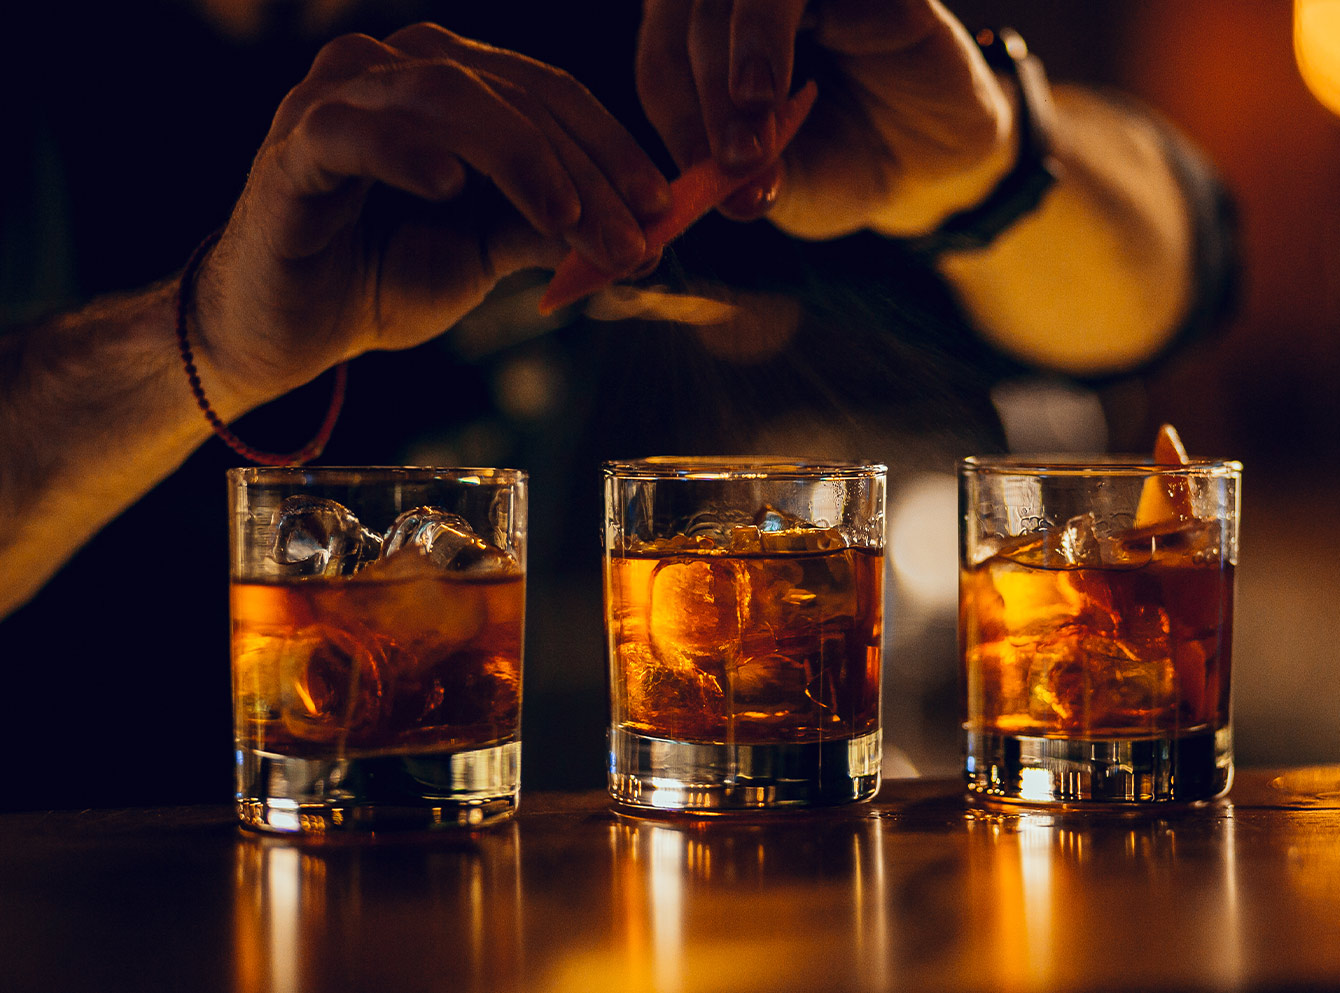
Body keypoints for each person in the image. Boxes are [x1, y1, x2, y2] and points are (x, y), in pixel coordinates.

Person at [0, 1, 1233, 806]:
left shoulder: (570, 34)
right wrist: (196, 343)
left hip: (466, 876)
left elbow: (1176, 266)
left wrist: (981, 162)